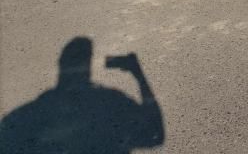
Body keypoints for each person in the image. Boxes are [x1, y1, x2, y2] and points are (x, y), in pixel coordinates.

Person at [0, 37, 164, 153]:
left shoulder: (28, 113)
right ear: (88, 67)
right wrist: (138, 74)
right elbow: (155, 135)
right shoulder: (111, 101)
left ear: (61, 66)